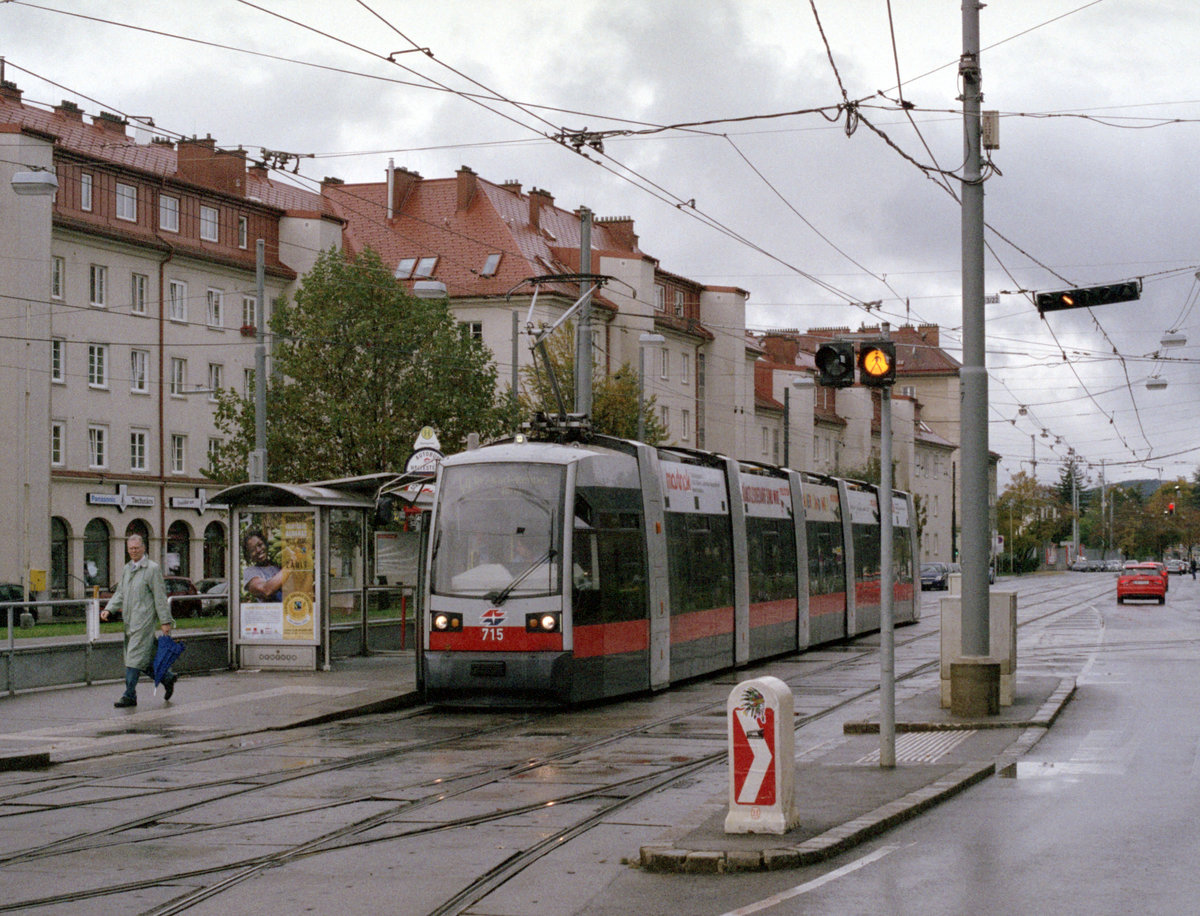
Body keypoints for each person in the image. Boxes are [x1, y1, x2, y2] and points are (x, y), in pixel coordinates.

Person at [100, 534, 175, 708]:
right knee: (141, 659)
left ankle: (129, 695)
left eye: (136, 548)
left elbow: (159, 596)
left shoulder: (152, 569)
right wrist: (109, 608)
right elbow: (120, 593)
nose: (133, 551)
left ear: (143, 548)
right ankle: (167, 677)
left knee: (133, 658)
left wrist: (165, 621)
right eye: (130, 549)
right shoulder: (128, 569)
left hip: (144, 621)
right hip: (129, 620)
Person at [242, 529, 289, 601]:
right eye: (252, 550)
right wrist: (291, 566)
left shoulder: (279, 564)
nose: (258, 550)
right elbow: (266, 590)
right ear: (249, 556)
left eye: (260, 545)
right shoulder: (250, 572)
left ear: (265, 544)